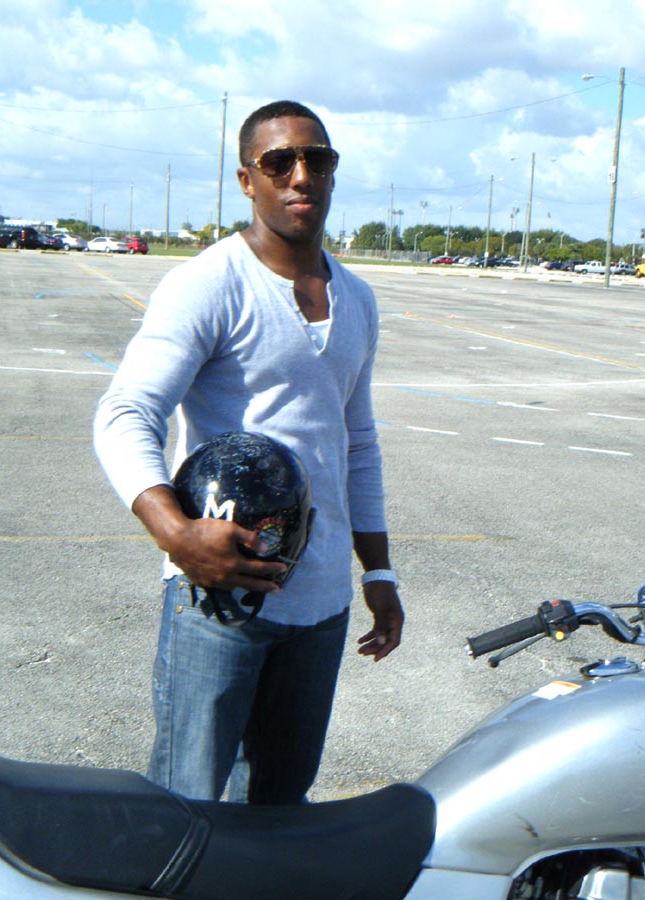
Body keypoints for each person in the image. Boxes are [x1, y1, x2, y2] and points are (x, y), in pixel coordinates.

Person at [93, 99, 404, 804]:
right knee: (188, 802)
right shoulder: (208, 283)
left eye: (317, 160)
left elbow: (356, 443)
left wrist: (379, 572)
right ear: (247, 180)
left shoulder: (357, 299)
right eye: (279, 161)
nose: (301, 175)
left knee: (279, 808)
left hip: (321, 604)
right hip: (220, 596)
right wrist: (177, 535)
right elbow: (125, 412)